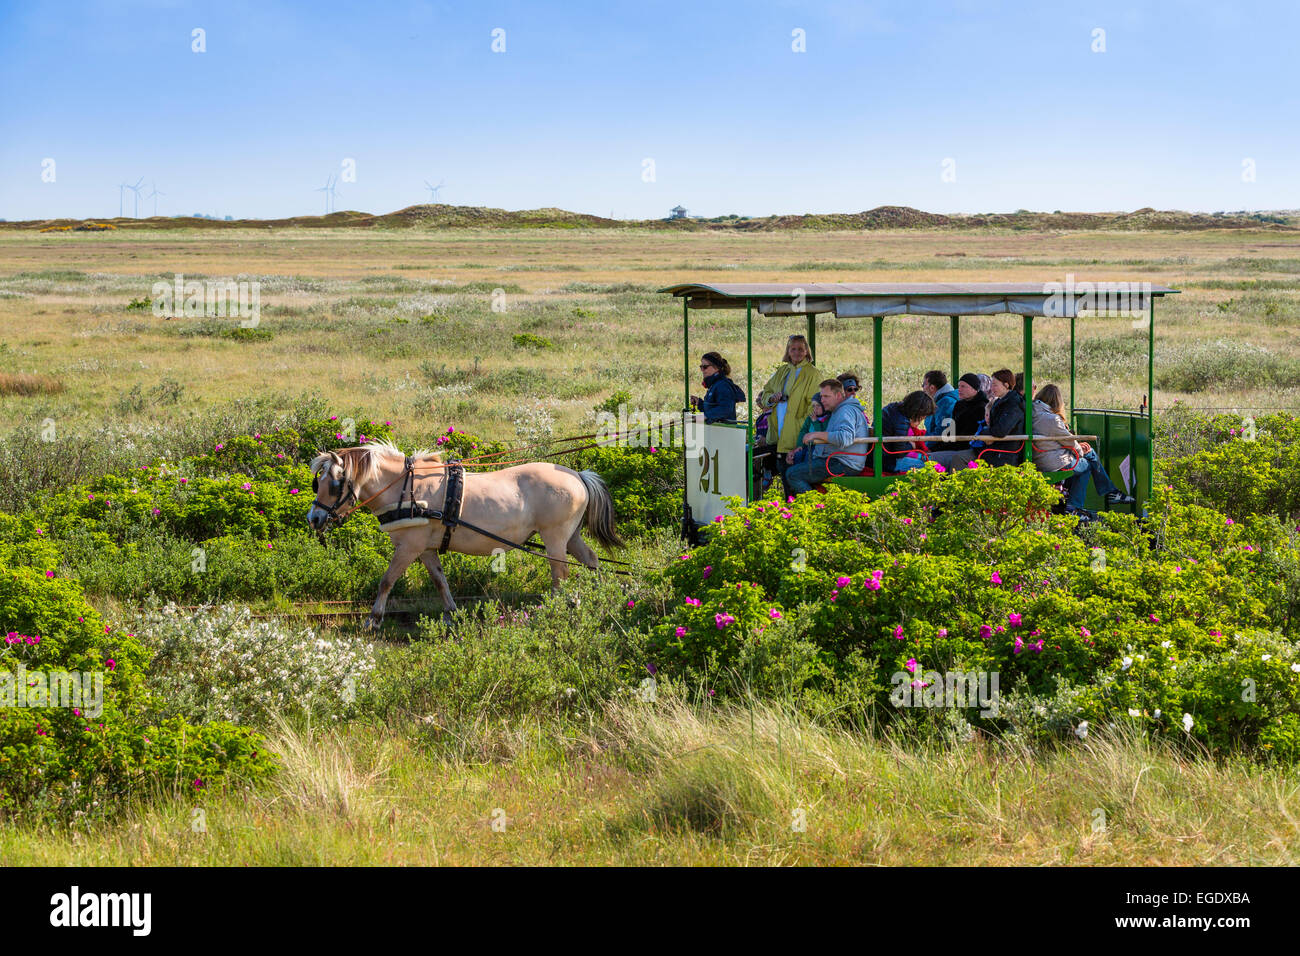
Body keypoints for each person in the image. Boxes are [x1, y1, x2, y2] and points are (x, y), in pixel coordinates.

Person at [1031, 384, 1135, 516]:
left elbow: (1060, 440)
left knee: (1088, 454)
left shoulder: (1034, 412)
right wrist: (1080, 450)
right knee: (1087, 463)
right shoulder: (1051, 419)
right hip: (1052, 462)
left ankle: (1109, 492)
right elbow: (1067, 439)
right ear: (1057, 401)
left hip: (1042, 458)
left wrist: (1079, 448)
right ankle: (1075, 507)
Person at [755, 334, 824, 484]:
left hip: (796, 437)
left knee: (793, 479)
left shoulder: (813, 374)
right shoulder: (782, 371)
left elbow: (815, 404)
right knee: (783, 475)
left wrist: (800, 424)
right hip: (777, 435)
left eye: (800, 349)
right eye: (793, 349)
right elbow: (766, 392)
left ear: (807, 351)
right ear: (788, 351)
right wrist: (772, 399)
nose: (796, 352)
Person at [784, 379, 870, 494]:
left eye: (826, 396)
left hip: (843, 463)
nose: (822, 400)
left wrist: (815, 434)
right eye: (821, 396)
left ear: (838, 395)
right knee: (797, 462)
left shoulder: (846, 411)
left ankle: (815, 507)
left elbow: (845, 438)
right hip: (837, 459)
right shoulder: (838, 411)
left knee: (793, 474)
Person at [926, 373, 987, 470]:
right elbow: (951, 431)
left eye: (963, 386)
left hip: (967, 449)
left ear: (974, 388)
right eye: (959, 386)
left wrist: (938, 449)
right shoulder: (959, 404)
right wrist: (934, 448)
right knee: (927, 455)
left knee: (928, 459)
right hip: (954, 445)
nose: (960, 389)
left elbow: (965, 436)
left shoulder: (982, 408)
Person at [879, 390, 935, 472]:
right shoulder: (902, 421)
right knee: (930, 466)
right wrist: (911, 445)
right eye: (923, 416)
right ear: (918, 412)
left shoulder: (893, 407)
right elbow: (900, 453)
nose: (922, 419)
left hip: (881, 455)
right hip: (888, 461)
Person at [981, 369, 1025, 466]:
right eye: (991, 385)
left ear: (1006, 385)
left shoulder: (1013, 404)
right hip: (996, 451)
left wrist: (983, 432)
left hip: (1004, 455)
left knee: (959, 458)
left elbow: (1000, 430)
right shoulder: (1000, 401)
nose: (992, 388)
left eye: (995, 385)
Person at [690, 351, 746, 424]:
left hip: (725, 432)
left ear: (716, 368)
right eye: (701, 367)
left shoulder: (723, 385)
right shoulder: (715, 384)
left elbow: (726, 408)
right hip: (717, 431)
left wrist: (705, 416)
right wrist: (699, 403)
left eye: (705, 367)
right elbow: (713, 411)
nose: (702, 370)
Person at [786, 396, 827, 467]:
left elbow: (821, 433)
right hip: (807, 445)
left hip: (818, 446)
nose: (815, 409)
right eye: (813, 406)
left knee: (808, 456)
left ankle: (806, 474)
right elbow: (803, 431)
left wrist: (815, 422)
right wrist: (800, 445)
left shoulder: (827, 419)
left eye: (818, 405)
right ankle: (796, 473)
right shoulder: (810, 418)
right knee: (798, 455)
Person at [922, 371, 958, 438]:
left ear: (932, 387)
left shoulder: (946, 403)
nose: (922, 387)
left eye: (924, 384)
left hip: (940, 445)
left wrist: (925, 445)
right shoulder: (939, 400)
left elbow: (941, 433)